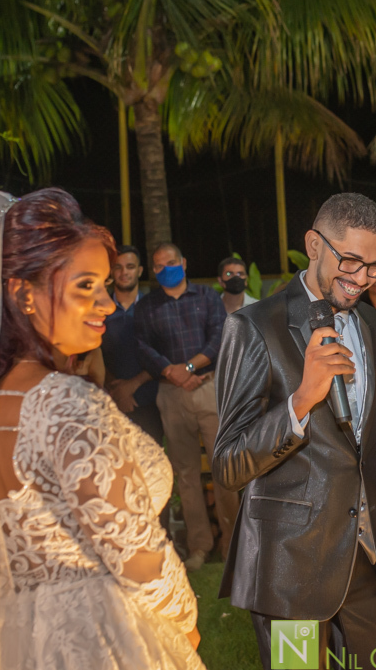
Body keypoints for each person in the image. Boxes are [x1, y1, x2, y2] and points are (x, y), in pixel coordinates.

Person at [0, 189, 203, 670]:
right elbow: (137, 557)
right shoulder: (63, 402)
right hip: (101, 636)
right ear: (24, 293)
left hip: (14, 637)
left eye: (107, 285)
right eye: (85, 286)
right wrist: (184, 623)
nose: (107, 304)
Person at [213, 192, 376, 670]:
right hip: (288, 569)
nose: (362, 279)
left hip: (371, 565)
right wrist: (301, 400)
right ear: (314, 245)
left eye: (375, 266)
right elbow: (229, 463)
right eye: (351, 261)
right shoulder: (254, 327)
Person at [135, 242, 237, 570]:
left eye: (171, 263)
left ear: (184, 262)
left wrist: (189, 368)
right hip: (170, 393)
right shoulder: (148, 306)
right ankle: (199, 547)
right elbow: (143, 347)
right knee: (186, 474)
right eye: (158, 266)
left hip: (208, 389)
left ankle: (233, 544)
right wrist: (171, 372)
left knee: (225, 469)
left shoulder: (207, 297)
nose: (165, 269)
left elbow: (219, 337)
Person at [100, 245, 163, 443]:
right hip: (109, 401)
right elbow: (93, 353)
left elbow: (164, 354)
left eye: (130, 267)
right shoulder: (100, 311)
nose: (124, 272)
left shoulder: (155, 309)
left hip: (149, 401)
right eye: (118, 267)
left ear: (140, 271)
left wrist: (132, 385)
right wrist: (117, 390)